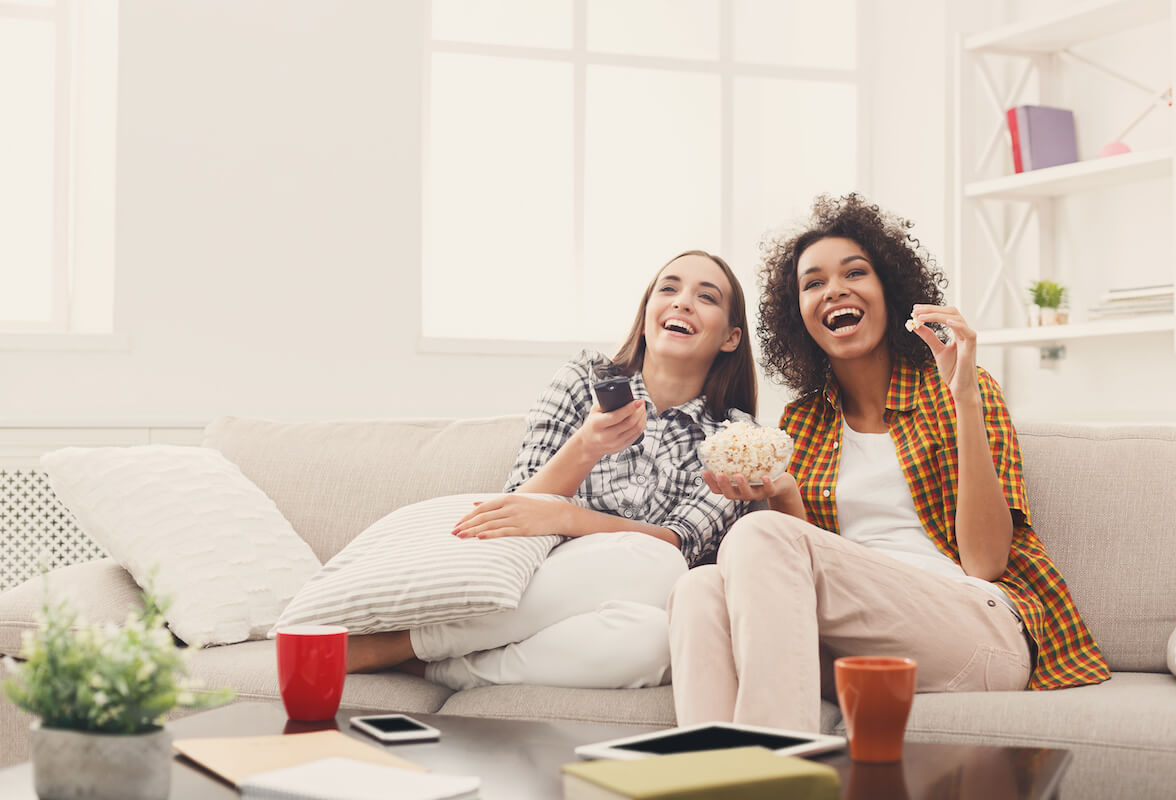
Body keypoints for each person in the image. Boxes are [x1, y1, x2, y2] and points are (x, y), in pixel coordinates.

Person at [668, 194, 1110, 731]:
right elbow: (799, 575)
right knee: (698, 590)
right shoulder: (802, 422)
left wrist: (964, 397)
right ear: (798, 316)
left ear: (890, 290)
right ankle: (712, 779)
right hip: (859, 647)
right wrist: (783, 492)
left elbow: (987, 560)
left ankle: (776, 777)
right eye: (813, 283)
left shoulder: (953, 389)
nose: (834, 289)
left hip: (977, 630)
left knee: (756, 536)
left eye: (855, 272)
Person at [346, 250, 758, 690]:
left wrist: (568, 516)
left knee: (659, 632)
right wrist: (586, 445)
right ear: (645, 318)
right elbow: (516, 507)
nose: (682, 302)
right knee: (657, 563)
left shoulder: (734, 437)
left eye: (706, 297)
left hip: (635, 593)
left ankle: (438, 665)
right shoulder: (583, 380)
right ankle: (410, 642)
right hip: (540, 571)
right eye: (669, 289)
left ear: (730, 338)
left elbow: (679, 542)